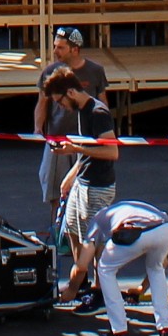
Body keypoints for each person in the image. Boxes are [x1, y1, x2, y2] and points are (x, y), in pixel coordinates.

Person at [41, 68, 118, 295]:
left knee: (93, 243)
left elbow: (112, 152)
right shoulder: (82, 110)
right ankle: (83, 284)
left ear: (71, 92)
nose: (60, 107)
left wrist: (74, 149)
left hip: (98, 186)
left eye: (60, 101)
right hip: (82, 182)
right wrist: (71, 175)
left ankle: (99, 290)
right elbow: (89, 150)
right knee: (73, 231)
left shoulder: (97, 113)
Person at [80, 198, 168, 336]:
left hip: (137, 233)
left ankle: (119, 331)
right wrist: (141, 289)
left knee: (105, 268)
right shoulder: (124, 209)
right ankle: (165, 330)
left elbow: (81, 265)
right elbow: (164, 263)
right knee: (156, 268)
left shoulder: (97, 220)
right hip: (165, 229)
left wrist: (72, 289)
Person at [34, 25, 107, 207]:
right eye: (55, 46)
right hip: (58, 138)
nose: (56, 51)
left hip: (85, 140)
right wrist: (37, 129)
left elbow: (103, 103)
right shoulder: (50, 72)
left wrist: (104, 133)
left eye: (61, 47)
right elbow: (42, 103)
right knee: (56, 194)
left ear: (75, 49)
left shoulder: (95, 71)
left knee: (84, 195)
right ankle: (58, 233)